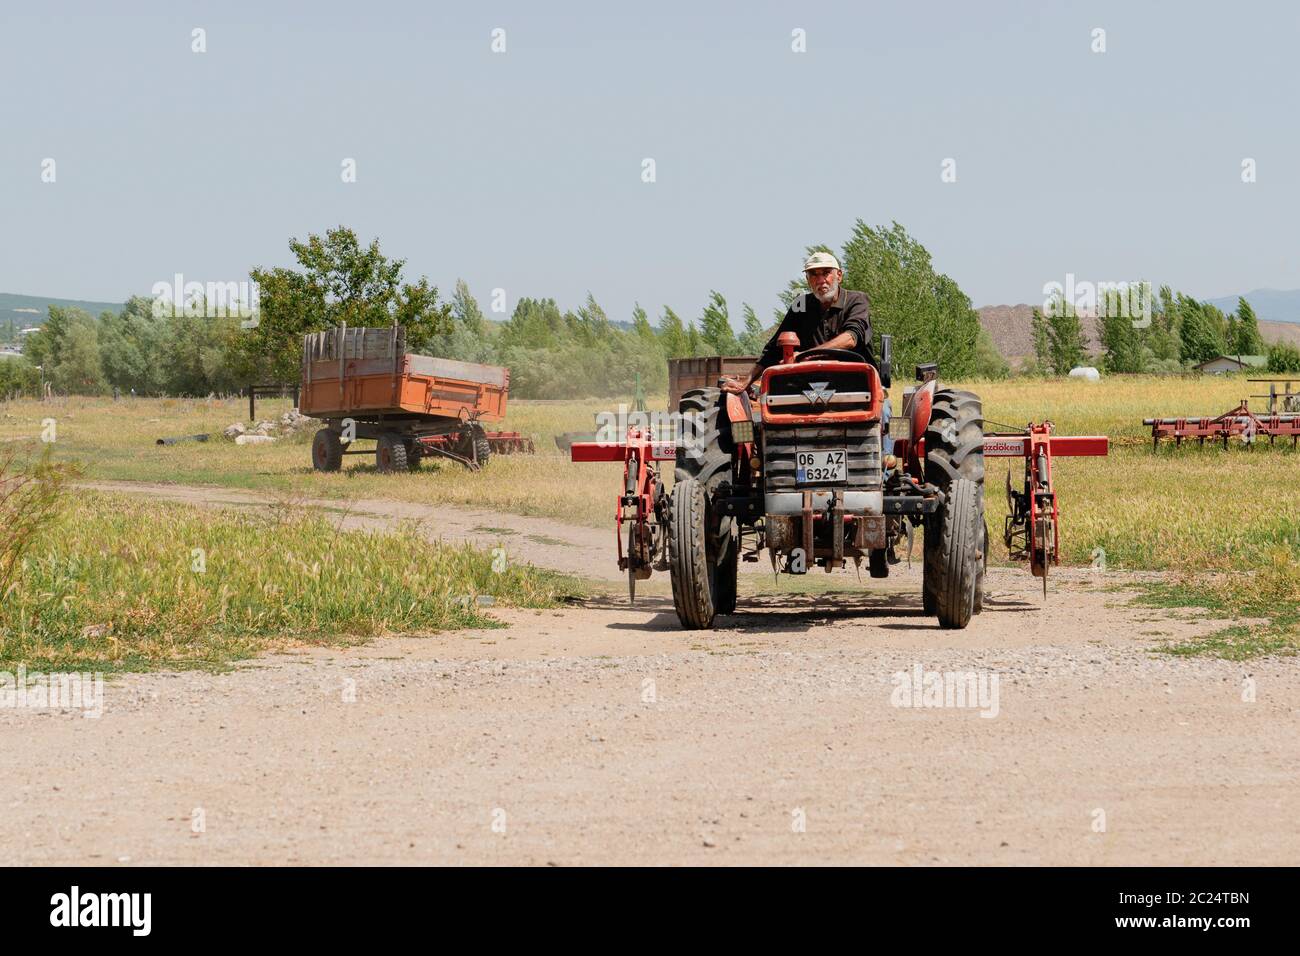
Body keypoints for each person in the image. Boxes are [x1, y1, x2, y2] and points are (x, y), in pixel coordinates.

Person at [721, 251, 874, 394]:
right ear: (808, 280)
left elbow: (851, 338)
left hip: (855, 383)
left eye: (826, 273)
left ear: (839, 276)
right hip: (810, 384)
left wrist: (805, 355)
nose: (821, 280)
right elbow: (774, 349)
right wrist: (746, 382)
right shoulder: (801, 305)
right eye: (813, 274)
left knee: (882, 411)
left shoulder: (857, 300)